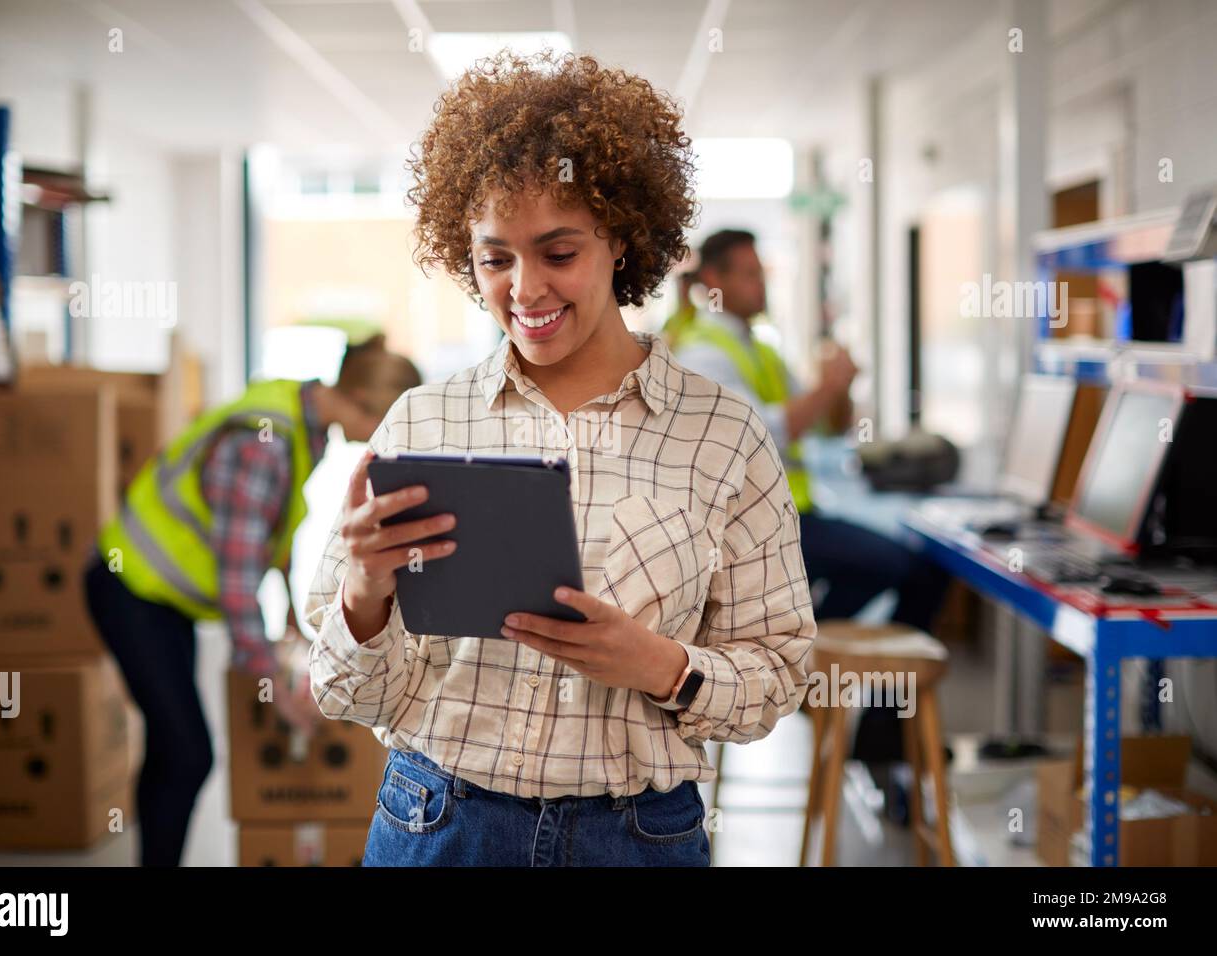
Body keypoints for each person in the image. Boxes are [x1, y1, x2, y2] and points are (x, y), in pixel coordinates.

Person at [304, 50, 816, 868]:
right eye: (495, 256)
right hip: (439, 827)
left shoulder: (724, 434)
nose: (525, 288)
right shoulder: (423, 420)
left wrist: (659, 665)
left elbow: (782, 673)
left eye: (558, 251)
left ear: (620, 239)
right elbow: (344, 692)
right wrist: (365, 591)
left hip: (639, 839)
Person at [83, 336, 421, 866]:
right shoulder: (266, 443)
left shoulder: (298, 415)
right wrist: (275, 693)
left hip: (163, 599)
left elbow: (271, 527)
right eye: (387, 427)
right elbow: (237, 584)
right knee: (189, 753)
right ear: (363, 403)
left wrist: (288, 608)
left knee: (172, 746)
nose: (387, 444)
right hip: (129, 588)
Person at [670, 230, 950, 763]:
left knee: (907, 567)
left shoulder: (760, 348)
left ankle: (804, 665)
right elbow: (767, 431)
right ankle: (863, 723)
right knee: (910, 568)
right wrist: (827, 387)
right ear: (714, 281)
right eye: (749, 274)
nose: (760, 285)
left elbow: (822, 427)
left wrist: (839, 387)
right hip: (751, 532)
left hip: (794, 516)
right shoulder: (706, 351)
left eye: (761, 273)